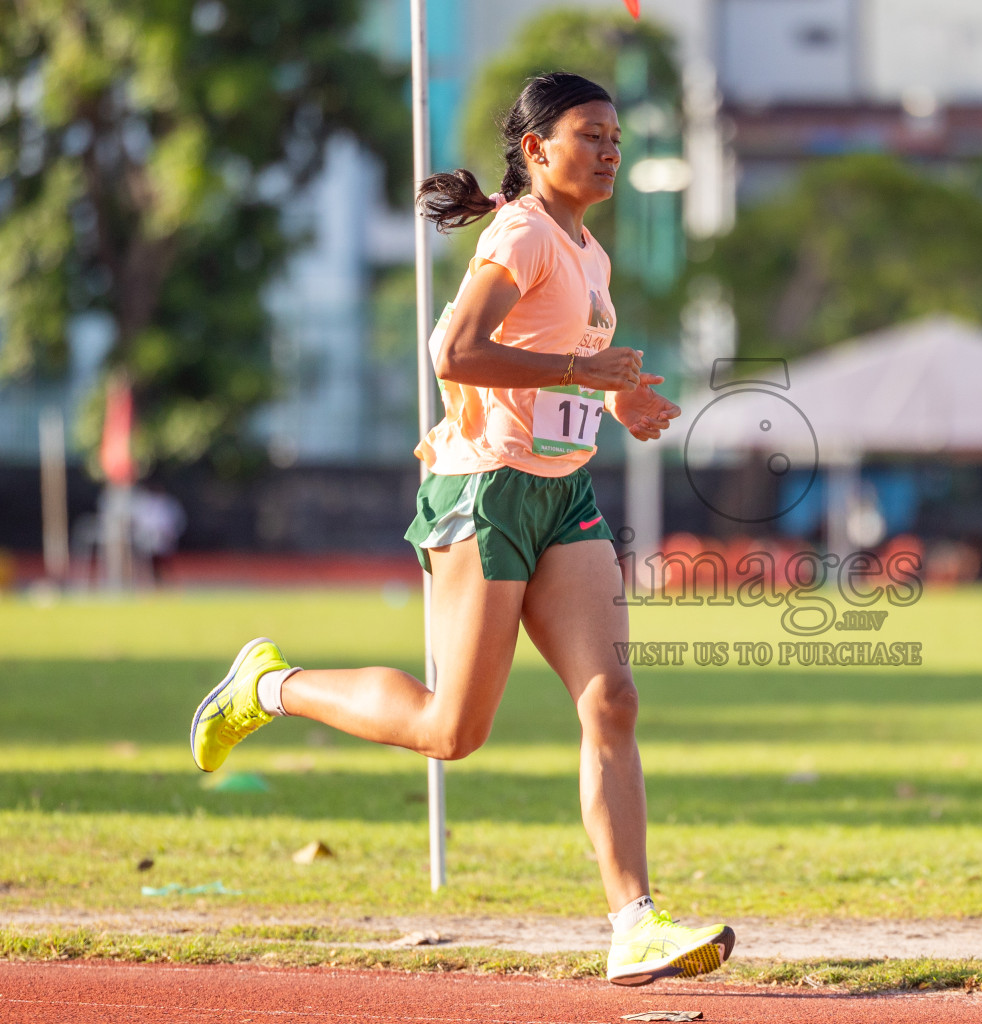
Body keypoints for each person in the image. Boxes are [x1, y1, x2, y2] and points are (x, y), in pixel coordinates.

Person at [188, 72, 733, 986]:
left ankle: (633, 923)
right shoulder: (519, 232)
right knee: (451, 731)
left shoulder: (588, 250)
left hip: (563, 494)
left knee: (612, 700)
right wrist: (588, 370)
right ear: (535, 150)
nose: (609, 149)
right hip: (484, 492)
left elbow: (559, 370)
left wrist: (622, 396)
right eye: (589, 134)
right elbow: (456, 352)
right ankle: (269, 686)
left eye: (614, 137)